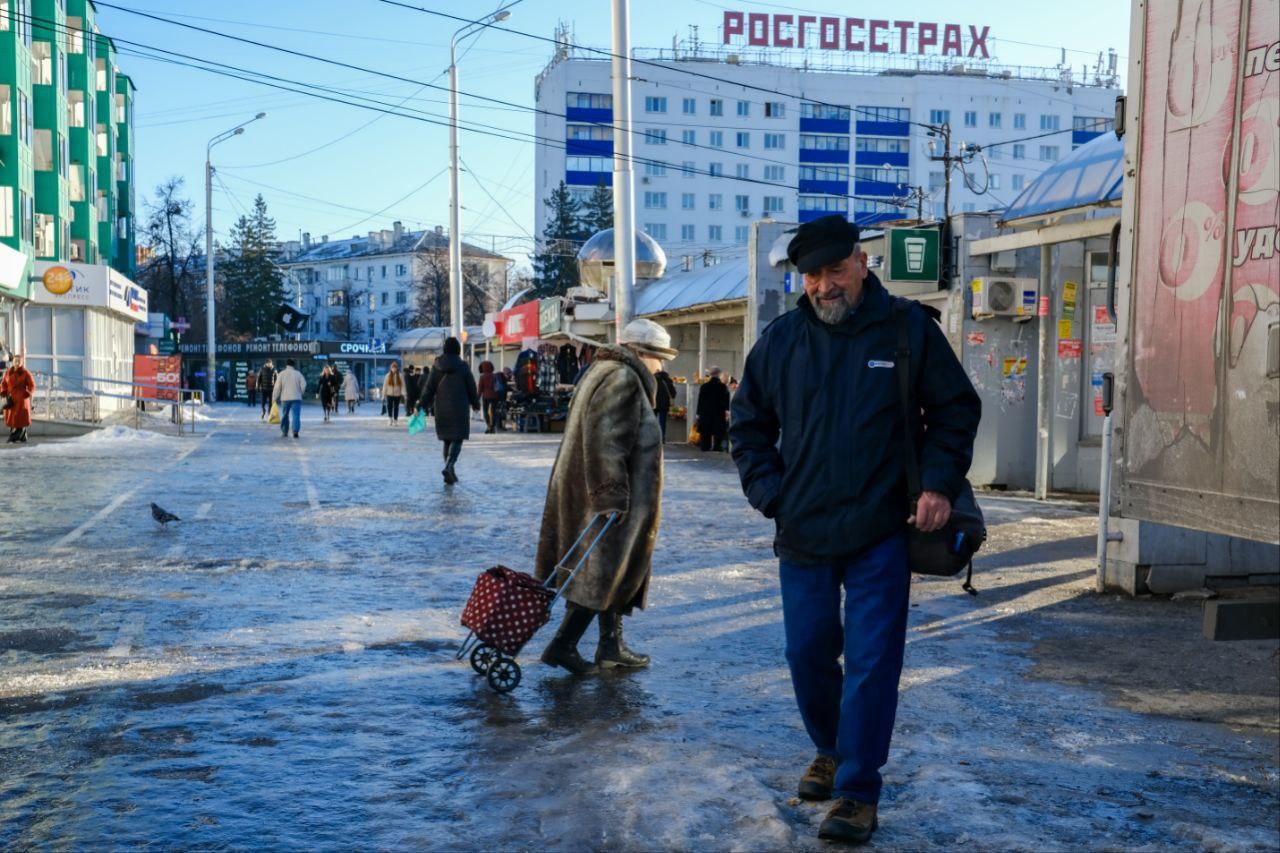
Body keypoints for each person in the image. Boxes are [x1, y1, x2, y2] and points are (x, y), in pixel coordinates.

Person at [729, 215, 980, 845]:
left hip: (882, 528)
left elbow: (956, 409)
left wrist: (938, 484)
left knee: (871, 662)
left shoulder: (907, 330)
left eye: (833, 271)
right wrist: (769, 493)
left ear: (862, 262)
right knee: (807, 652)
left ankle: (857, 791)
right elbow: (748, 424)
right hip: (804, 529)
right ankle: (832, 748)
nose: (822, 286)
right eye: (811, 275)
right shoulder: (782, 341)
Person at [534, 319, 677, 675]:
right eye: (658, 358)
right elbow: (606, 441)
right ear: (641, 353)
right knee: (600, 571)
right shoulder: (623, 378)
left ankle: (611, 646)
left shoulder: (602, 371)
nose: (661, 366)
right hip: (606, 496)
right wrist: (611, 496)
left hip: (588, 491)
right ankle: (563, 646)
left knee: (610, 568)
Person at [420, 337, 479, 484]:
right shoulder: (463, 366)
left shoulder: (436, 366)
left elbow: (429, 389)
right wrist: (476, 403)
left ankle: (450, 471)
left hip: (441, 408)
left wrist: (421, 405)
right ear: (458, 350)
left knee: (447, 439)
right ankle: (449, 465)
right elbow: (471, 387)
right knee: (457, 438)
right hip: (459, 408)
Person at [695, 366, 731, 452]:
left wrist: (698, 412)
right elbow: (727, 400)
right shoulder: (722, 387)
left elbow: (700, 400)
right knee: (718, 431)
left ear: (710, 374)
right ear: (719, 374)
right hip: (718, 412)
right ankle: (717, 447)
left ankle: (705, 447)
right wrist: (727, 409)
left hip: (705, 412)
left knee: (705, 431)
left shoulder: (704, 386)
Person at [1, 354, 36, 444]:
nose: (16, 363)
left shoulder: (25, 373)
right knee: (13, 419)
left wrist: (26, 393)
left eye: (18, 361)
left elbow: (32, 385)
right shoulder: (8, 372)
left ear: (22, 362)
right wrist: (3, 392)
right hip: (11, 400)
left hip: (21, 400)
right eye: (15, 361)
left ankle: (14, 437)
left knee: (20, 419)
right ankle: (22, 437)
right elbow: (4, 383)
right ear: (12, 362)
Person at [271, 358, 307, 439]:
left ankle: (284, 431)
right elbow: (304, 384)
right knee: (296, 415)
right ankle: (295, 431)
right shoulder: (298, 374)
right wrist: (301, 392)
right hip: (296, 397)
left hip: (285, 398)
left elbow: (277, 387)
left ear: (286, 365)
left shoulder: (281, 374)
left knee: (285, 415)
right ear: (293, 365)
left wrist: (274, 398)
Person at [653, 366, 677, 442]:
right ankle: (662, 438)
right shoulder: (668, 380)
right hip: (664, 404)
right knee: (662, 422)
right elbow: (673, 394)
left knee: (652, 421)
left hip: (654, 404)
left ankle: (653, 438)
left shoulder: (652, 380)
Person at [477, 361, 502, 434]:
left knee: (485, 412)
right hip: (495, 396)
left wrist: (477, 398)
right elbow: (498, 387)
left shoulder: (482, 377)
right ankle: (493, 426)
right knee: (494, 411)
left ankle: (488, 426)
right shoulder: (494, 376)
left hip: (485, 397)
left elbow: (480, 389)